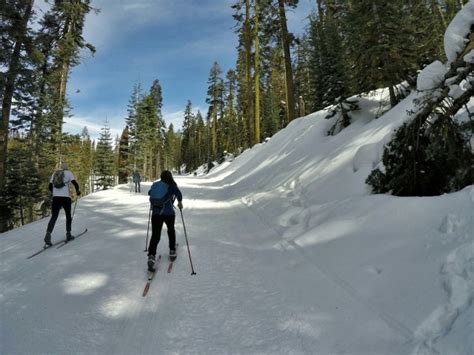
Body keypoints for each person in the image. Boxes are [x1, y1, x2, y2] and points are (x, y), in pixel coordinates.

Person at [147, 170, 183, 271]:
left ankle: (151, 256)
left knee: (155, 235)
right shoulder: (172, 186)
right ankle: (172, 250)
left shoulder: (156, 184)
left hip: (156, 214)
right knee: (170, 230)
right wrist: (179, 202)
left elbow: (150, 193)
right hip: (169, 213)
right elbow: (179, 195)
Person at [44, 162, 81, 246]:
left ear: (61, 168)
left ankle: (48, 234)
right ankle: (68, 234)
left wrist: (55, 192)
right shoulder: (68, 173)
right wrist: (78, 191)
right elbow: (75, 183)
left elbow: (50, 186)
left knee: (54, 217)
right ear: (67, 168)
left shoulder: (55, 173)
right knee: (68, 216)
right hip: (65, 198)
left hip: (56, 198)